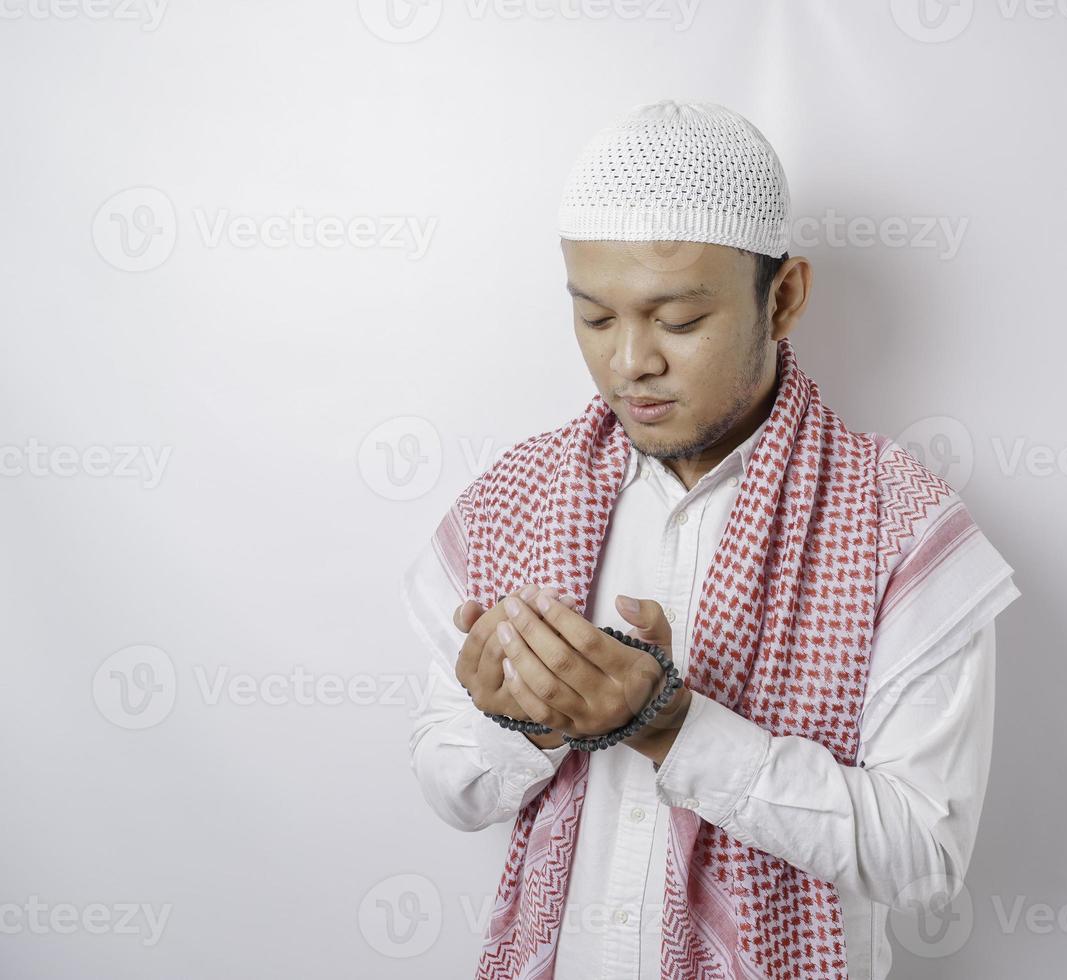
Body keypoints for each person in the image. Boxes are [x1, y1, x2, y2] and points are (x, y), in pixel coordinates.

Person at [401, 98, 1020, 980]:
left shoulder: (902, 529)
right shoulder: (518, 498)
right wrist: (519, 722)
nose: (630, 363)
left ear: (786, 298)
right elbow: (448, 788)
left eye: (680, 321)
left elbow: (925, 856)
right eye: (595, 317)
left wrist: (669, 725)